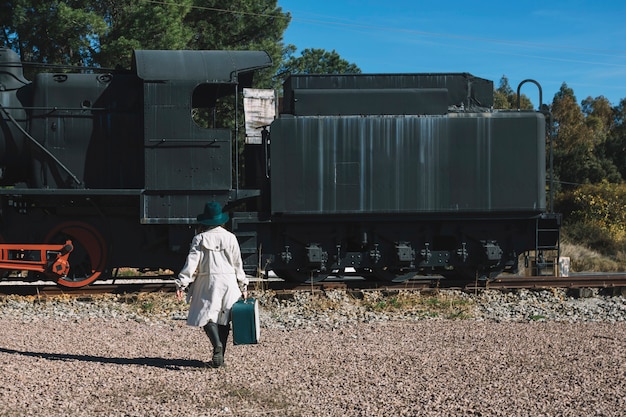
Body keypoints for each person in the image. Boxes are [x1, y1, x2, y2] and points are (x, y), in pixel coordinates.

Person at [175, 201, 248, 368]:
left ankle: (217, 345)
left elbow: (191, 264)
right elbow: (238, 264)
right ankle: (220, 358)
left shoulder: (199, 238)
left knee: (206, 315)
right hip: (229, 281)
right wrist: (243, 285)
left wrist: (181, 283)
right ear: (221, 220)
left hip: (207, 281)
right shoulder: (231, 237)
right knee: (224, 319)